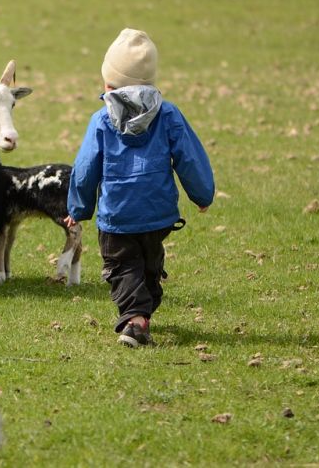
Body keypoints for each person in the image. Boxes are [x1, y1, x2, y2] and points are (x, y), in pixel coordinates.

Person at [63, 29, 214, 347]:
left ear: (108, 84)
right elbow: (189, 157)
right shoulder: (168, 114)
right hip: (158, 215)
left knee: (122, 265)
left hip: (117, 216)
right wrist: (202, 194)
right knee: (148, 263)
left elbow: (85, 168)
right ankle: (143, 313)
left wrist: (78, 208)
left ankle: (135, 320)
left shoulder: (102, 120)